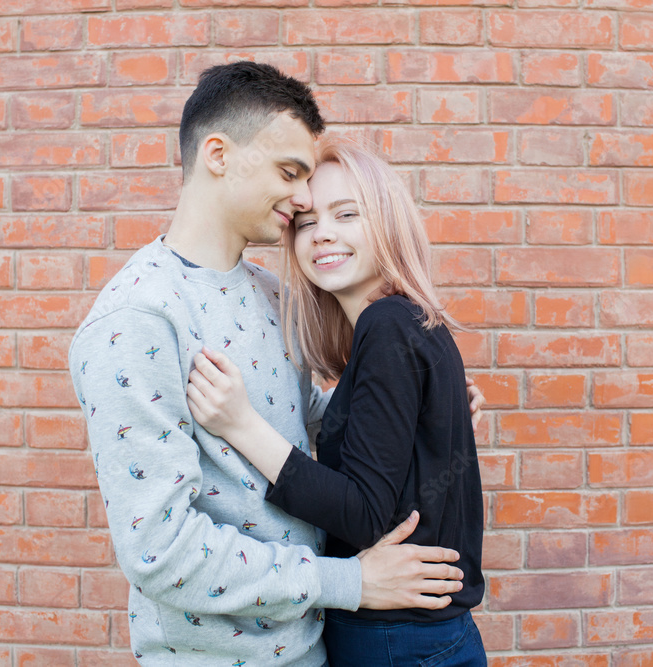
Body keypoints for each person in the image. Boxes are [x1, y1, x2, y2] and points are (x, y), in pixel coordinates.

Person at [68, 62, 479, 666]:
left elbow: (308, 417)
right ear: (217, 155)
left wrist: (420, 404)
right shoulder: (139, 318)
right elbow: (159, 549)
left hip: (314, 646)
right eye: (290, 174)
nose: (302, 198)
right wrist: (351, 582)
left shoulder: (270, 294)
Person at [186, 141, 487, 666]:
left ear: (388, 223)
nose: (322, 232)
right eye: (306, 222)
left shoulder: (387, 325)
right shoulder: (406, 323)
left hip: (394, 641)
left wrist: (241, 425)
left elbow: (365, 514)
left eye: (347, 214)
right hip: (422, 637)